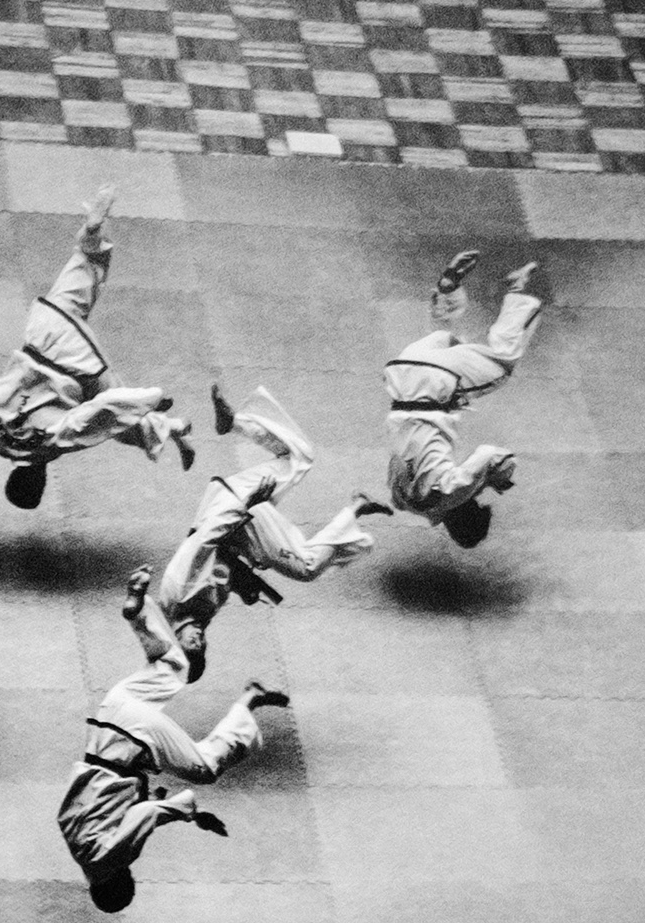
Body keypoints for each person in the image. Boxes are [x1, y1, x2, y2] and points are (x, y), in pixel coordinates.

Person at [57, 567, 288, 911]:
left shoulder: (107, 861)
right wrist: (164, 805)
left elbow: (146, 814)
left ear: (120, 883)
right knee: (174, 666)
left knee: (205, 769)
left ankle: (250, 699)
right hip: (110, 715)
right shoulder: (75, 837)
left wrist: (186, 811)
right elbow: (117, 804)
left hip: (133, 738)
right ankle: (138, 610)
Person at [146, 382, 387, 675]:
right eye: (201, 647)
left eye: (190, 647)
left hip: (235, 516)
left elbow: (204, 540)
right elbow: (216, 569)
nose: (198, 641)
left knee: (307, 567)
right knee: (299, 457)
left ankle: (356, 507)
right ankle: (233, 423)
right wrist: (240, 586)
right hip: (235, 515)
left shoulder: (176, 595)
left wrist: (247, 505)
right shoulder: (196, 616)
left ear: (174, 643)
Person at [0, 191, 193, 507]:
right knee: (85, 270)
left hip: (76, 361)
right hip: (43, 329)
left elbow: (99, 412)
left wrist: (148, 397)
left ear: (41, 481)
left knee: (110, 418)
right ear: (12, 475)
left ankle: (170, 427)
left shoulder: (49, 444)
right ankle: (92, 230)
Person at [383, 251, 553, 547]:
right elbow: (410, 475)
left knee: (502, 364)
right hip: (401, 373)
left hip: (433, 385)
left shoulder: (453, 492)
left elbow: (494, 455)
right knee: (450, 342)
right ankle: (447, 290)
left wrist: (497, 480)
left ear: (468, 510)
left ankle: (518, 289)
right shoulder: (403, 501)